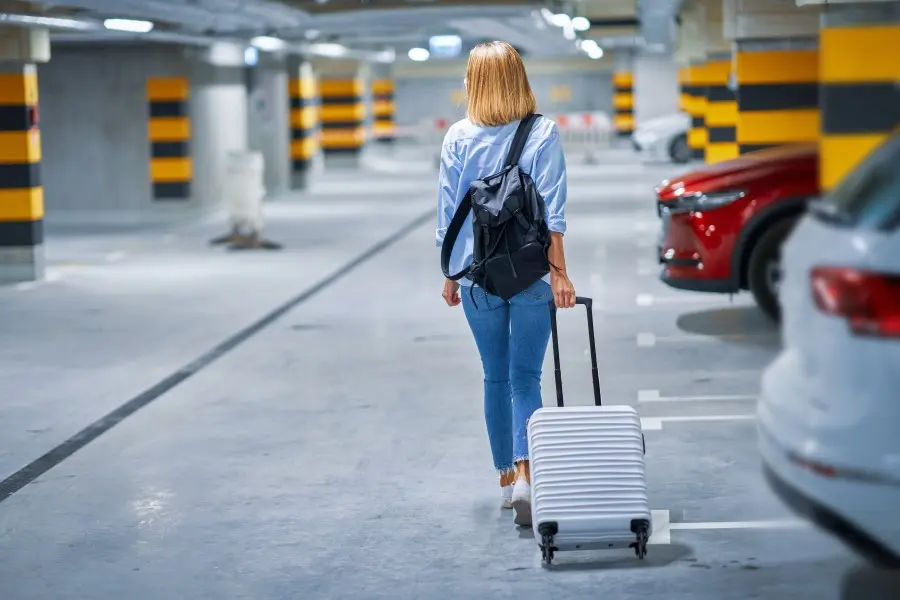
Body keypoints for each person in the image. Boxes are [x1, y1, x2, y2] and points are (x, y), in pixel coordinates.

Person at [435, 41, 576, 527]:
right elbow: (553, 212)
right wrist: (560, 273)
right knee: (525, 378)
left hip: (478, 276)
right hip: (532, 273)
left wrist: (450, 275)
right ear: (519, 78)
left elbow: (449, 212)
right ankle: (526, 475)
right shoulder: (542, 132)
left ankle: (502, 479)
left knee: (495, 376)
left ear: (473, 83)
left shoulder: (457, 136)